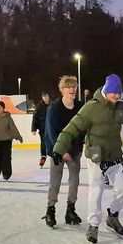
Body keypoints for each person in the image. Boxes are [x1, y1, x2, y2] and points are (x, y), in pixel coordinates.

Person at [52, 73, 123, 244]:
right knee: (96, 191)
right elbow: (71, 128)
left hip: (115, 156)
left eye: (120, 93)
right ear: (106, 90)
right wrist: (59, 149)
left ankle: (112, 216)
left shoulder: (122, 108)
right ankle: (93, 225)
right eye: (114, 93)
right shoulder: (91, 108)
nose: (117, 96)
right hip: (96, 156)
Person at [43, 75, 84, 227]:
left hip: (74, 151)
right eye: (69, 87)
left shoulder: (80, 106)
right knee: (55, 181)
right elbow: (51, 131)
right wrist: (60, 150)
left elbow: (84, 127)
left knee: (74, 181)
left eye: (74, 86)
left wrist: (79, 147)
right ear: (62, 90)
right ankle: (50, 210)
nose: (72, 89)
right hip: (57, 150)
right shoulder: (54, 107)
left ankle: (70, 210)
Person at [0, 101, 24, 181]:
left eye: (0, 108)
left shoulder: (8, 117)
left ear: (3, 109)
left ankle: (6, 174)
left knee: (6, 158)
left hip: (7, 140)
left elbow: (13, 128)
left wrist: (18, 136)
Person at [32, 92, 51, 167]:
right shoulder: (39, 106)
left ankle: (57, 157)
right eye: (43, 96)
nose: (45, 98)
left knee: (54, 142)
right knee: (43, 143)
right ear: (42, 97)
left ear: (48, 96)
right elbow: (35, 118)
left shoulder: (53, 105)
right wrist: (34, 128)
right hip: (43, 129)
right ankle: (43, 157)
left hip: (52, 128)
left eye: (46, 96)